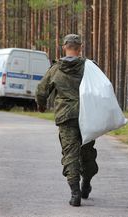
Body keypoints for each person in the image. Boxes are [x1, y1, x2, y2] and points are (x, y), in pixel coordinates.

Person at [35, 34, 98, 207]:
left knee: (70, 154)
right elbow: (103, 89)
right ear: (80, 47)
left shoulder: (56, 69)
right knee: (87, 152)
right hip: (87, 117)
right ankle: (86, 182)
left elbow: (41, 91)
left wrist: (41, 106)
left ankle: (75, 193)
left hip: (66, 117)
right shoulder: (90, 67)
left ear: (64, 47)